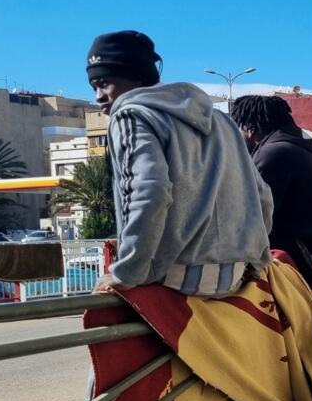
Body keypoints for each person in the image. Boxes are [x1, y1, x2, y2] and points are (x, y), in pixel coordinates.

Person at [86, 30, 273, 296]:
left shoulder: (131, 115)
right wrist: (256, 260)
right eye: (93, 87)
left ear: (136, 76)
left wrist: (127, 272)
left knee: (102, 301)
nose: (98, 96)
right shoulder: (223, 122)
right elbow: (262, 196)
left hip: (176, 278)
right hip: (234, 276)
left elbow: (148, 192)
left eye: (104, 83)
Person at [231, 95, 312, 291]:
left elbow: (253, 219)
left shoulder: (273, 154)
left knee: (245, 239)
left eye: (238, 130)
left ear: (250, 129)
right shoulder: (297, 152)